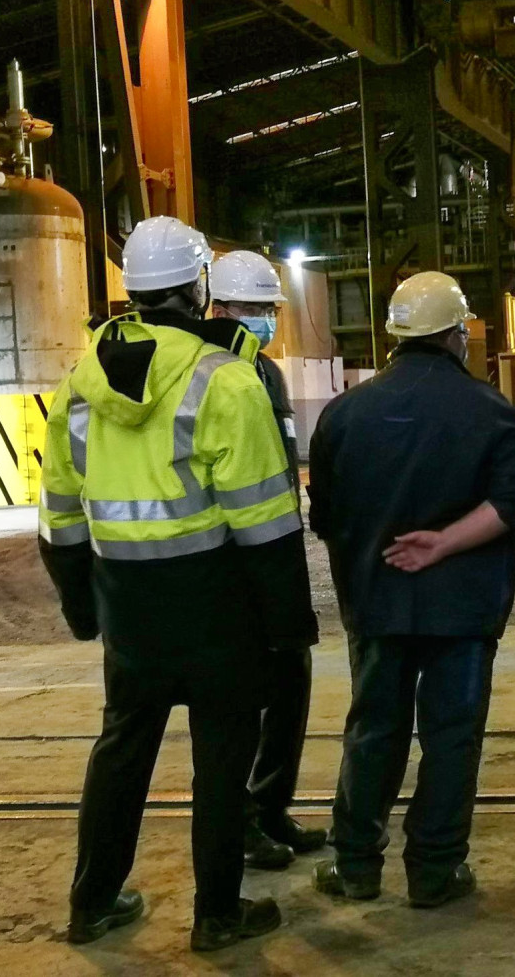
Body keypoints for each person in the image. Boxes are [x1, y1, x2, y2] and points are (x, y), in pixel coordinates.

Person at [37, 216, 316, 952]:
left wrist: (82, 608)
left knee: (123, 749)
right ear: (197, 289)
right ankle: (216, 914)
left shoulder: (78, 384)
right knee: (221, 760)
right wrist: (287, 624)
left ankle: (92, 903)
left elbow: (59, 519)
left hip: (127, 610)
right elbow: (266, 525)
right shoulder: (224, 379)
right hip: (215, 608)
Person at [307, 271, 515, 908]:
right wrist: (446, 542)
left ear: (394, 337)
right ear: (456, 334)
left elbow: (324, 517)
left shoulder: (344, 414)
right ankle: (434, 871)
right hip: (463, 612)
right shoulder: (490, 409)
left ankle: (356, 865)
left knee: (372, 733)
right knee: (451, 738)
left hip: (376, 606)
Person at [208, 250, 326, 871]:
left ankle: (271, 806)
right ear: (219, 308)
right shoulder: (209, 374)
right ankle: (242, 824)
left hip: (276, 553)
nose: (263, 321)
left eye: (268, 310)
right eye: (252, 310)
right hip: (229, 564)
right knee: (240, 701)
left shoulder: (268, 375)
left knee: (290, 684)